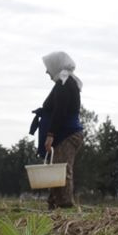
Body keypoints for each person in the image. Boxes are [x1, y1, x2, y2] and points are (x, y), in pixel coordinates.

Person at [36, 51, 84, 209]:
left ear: (56, 65)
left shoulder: (64, 83)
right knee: (57, 169)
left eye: (48, 67)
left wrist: (50, 135)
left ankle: (65, 206)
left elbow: (60, 111)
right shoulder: (65, 82)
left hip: (67, 134)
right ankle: (54, 204)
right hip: (65, 133)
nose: (47, 71)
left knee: (62, 169)